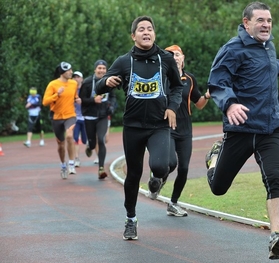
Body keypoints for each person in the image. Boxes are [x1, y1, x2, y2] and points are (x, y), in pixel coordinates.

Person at [205, 2, 279, 260]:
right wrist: (230, 104)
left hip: (269, 129)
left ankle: (276, 235)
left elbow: (269, 68)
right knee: (219, 188)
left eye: (269, 20)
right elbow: (217, 81)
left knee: (274, 177)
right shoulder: (232, 49)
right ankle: (213, 161)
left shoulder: (268, 47)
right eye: (261, 20)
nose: (266, 25)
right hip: (241, 130)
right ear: (246, 23)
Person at [95, 16, 183, 240]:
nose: (146, 32)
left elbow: (176, 87)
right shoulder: (124, 61)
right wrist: (106, 83)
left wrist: (173, 107)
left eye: (150, 29)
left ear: (154, 34)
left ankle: (157, 180)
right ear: (133, 36)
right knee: (133, 175)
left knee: (161, 165)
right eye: (141, 29)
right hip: (133, 126)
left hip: (159, 124)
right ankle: (131, 219)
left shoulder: (166, 59)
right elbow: (97, 87)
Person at [147, 44, 210, 217]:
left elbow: (198, 104)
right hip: (166, 127)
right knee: (171, 163)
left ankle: (173, 204)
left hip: (185, 129)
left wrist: (206, 96)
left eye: (177, 54)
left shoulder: (190, 79)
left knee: (183, 168)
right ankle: (157, 179)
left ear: (182, 58)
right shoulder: (161, 77)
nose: (174, 57)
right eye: (170, 55)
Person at [43, 61, 81, 179]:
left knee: (69, 136)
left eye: (71, 70)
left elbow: (74, 96)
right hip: (57, 117)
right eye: (69, 70)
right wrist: (57, 95)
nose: (71, 72)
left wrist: (77, 99)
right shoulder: (53, 85)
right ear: (62, 72)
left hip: (70, 115)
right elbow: (45, 102)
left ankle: (71, 164)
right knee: (60, 144)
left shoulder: (73, 83)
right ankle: (63, 165)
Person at [79, 60, 116, 179]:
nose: (101, 70)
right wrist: (93, 100)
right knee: (93, 142)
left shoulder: (109, 82)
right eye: (99, 68)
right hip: (89, 116)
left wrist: (111, 106)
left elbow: (113, 98)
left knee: (101, 139)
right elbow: (82, 99)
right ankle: (89, 146)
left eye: (104, 68)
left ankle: (101, 169)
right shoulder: (87, 82)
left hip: (102, 115)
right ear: (95, 69)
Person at [72, 71, 86, 167]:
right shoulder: (70, 90)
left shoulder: (86, 89)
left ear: (82, 79)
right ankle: (76, 158)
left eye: (78, 77)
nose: (76, 79)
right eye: (74, 77)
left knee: (85, 140)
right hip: (74, 118)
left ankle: (89, 144)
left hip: (85, 117)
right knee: (75, 138)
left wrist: (83, 102)